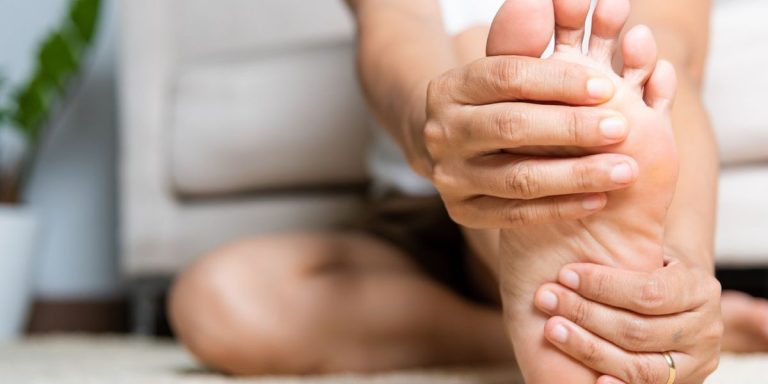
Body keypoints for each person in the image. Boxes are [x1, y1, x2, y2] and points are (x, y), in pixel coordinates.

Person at [168, 0, 768, 382]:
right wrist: (449, 137)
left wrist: (684, 268)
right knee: (215, 300)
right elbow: (394, 35)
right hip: (421, 199)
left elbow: (670, 62)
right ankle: (572, 324)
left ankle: (584, 291)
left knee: (609, 75)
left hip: (597, 176)